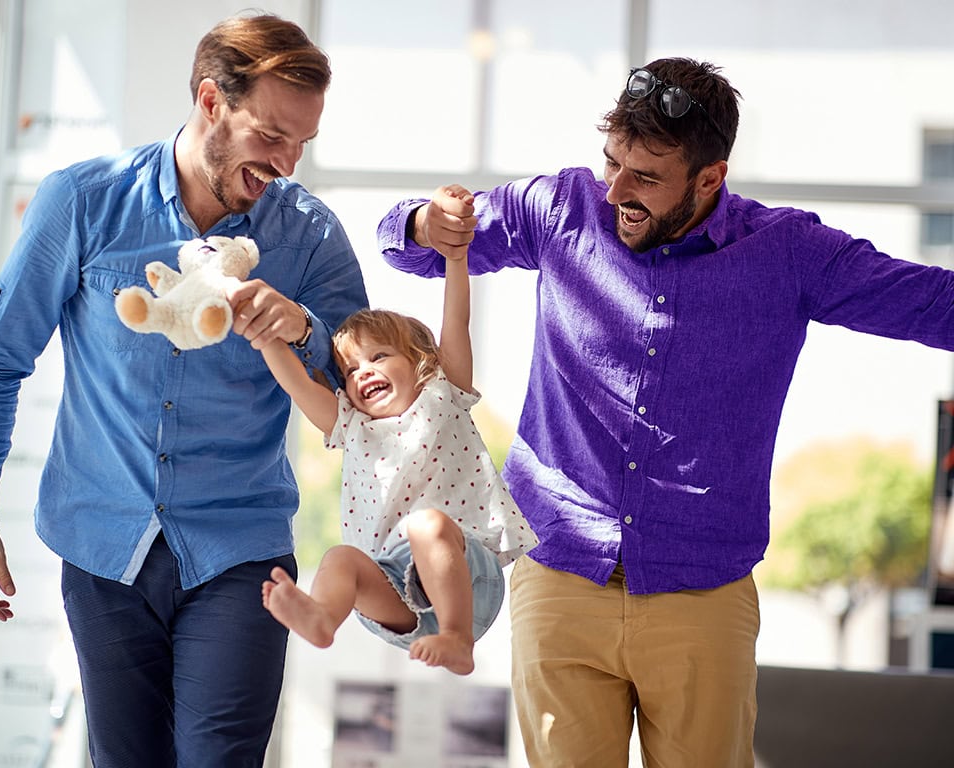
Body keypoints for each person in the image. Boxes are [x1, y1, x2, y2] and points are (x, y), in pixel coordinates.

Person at [377, 58, 954, 767]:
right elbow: (413, 247)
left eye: (646, 177)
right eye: (613, 162)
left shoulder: (788, 253)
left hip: (701, 595)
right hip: (559, 577)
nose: (616, 189)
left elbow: (931, 302)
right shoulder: (561, 207)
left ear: (710, 179)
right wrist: (426, 221)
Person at [0, 12, 367, 768]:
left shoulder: (312, 237)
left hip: (241, 550)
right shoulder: (82, 202)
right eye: (272, 136)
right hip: (102, 543)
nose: (288, 163)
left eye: (302, 143)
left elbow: (365, 396)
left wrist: (303, 328)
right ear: (211, 102)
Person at [256, 187, 538, 676]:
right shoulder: (352, 426)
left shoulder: (443, 392)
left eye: (379, 357)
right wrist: (264, 339)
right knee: (341, 558)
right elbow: (299, 385)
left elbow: (457, 319)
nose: (363, 372)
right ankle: (323, 616)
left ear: (420, 362)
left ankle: (456, 638)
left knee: (426, 525)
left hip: (466, 572)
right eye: (351, 370)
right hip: (392, 587)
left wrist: (456, 258)